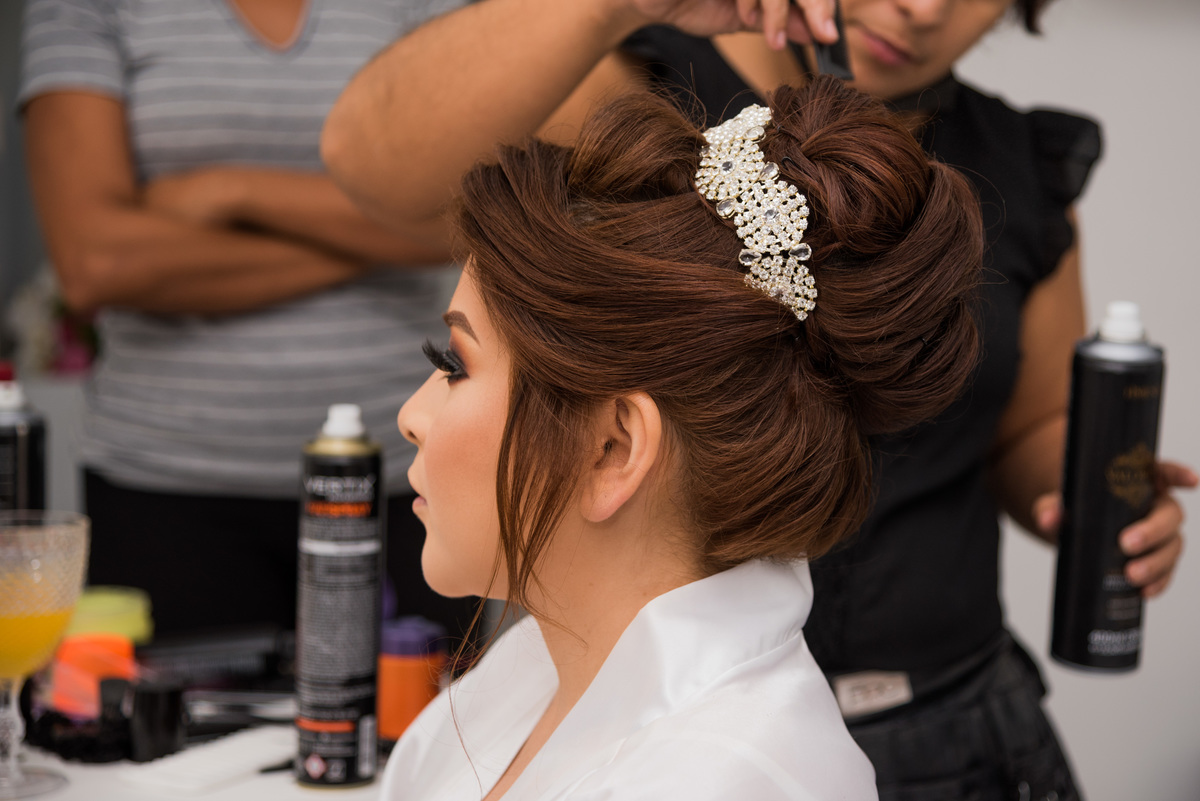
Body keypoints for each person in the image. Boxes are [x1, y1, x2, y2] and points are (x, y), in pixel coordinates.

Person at [322, 1, 1195, 798]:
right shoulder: (634, 89)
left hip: (945, 708)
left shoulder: (1025, 171)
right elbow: (375, 161)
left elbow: (1032, 424)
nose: (924, 8)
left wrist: (1094, 490)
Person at [384, 75, 981, 801]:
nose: (411, 415)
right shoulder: (526, 675)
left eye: (454, 365)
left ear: (613, 449)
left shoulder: (725, 780)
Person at [17, 0, 478, 639]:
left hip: (411, 482)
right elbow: (96, 262)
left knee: (433, 708)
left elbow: (464, 209)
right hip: (165, 493)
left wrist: (230, 192)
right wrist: (381, 240)